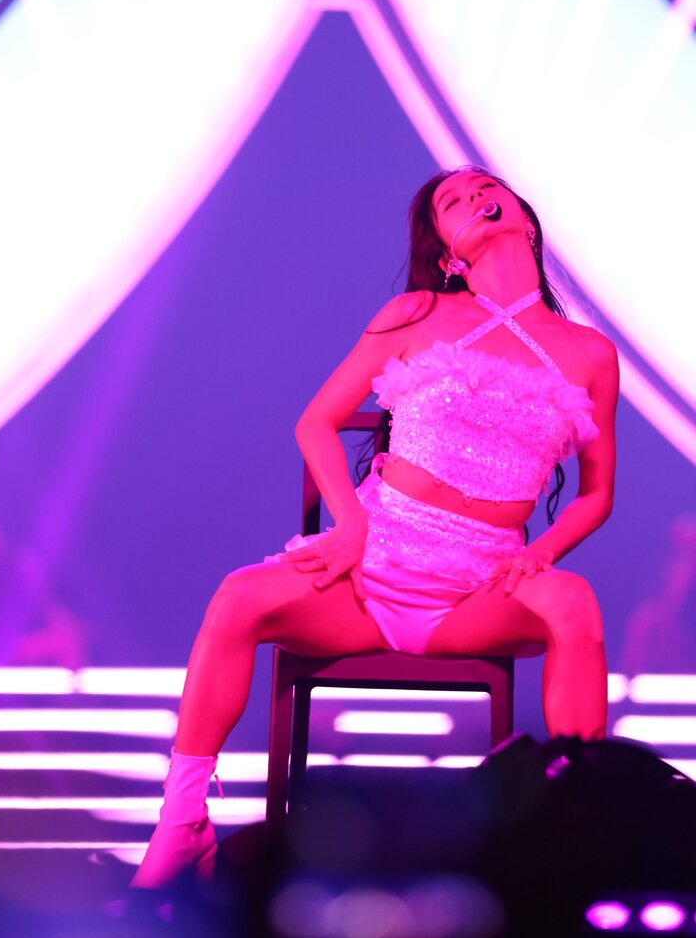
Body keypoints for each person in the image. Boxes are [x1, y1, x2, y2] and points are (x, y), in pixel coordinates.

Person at [131, 166, 619, 889]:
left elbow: (596, 495)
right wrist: (350, 525)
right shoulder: (417, 312)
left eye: (485, 188)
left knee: (573, 601)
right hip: (369, 574)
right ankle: (182, 825)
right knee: (237, 596)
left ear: (523, 215)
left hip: (478, 592)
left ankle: (582, 841)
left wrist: (541, 553)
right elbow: (317, 423)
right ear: (447, 254)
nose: (474, 197)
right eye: (451, 201)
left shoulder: (590, 352)